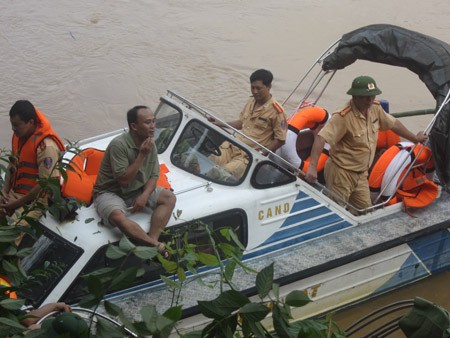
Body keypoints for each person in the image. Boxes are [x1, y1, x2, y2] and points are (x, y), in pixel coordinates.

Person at [305, 76, 427, 214]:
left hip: (361, 174)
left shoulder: (375, 108)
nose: (369, 100)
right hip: (341, 173)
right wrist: (312, 167)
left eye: (372, 96)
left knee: (365, 211)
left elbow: (393, 124)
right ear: (355, 96)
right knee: (335, 211)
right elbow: (321, 138)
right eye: (365, 97)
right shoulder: (342, 117)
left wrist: (415, 139)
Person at [93, 105, 176, 257]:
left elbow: (154, 175)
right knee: (117, 216)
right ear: (134, 126)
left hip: (137, 188)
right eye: (148, 123)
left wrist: (145, 195)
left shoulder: (150, 142)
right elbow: (123, 180)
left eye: (154, 121)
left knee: (169, 198)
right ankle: (156, 246)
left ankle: (152, 242)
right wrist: (142, 155)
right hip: (110, 191)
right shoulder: (119, 145)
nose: (153, 126)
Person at [208, 69, 288, 178]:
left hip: (247, 156)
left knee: (220, 173)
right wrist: (220, 123)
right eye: (252, 88)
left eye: (259, 88)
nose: (255, 91)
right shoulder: (251, 101)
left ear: (269, 87)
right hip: (232, 146)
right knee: (208, 161)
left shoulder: (277, 111)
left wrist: (261, 154)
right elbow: (241, 123)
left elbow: (280, 140)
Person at [0, 100, 65, 230]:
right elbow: (11, 167)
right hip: (15, 194)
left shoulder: (46, 146)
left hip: (36, 201)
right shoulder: (19, 136)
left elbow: (44, 185)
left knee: (13, 229)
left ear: (30, 122)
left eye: (17, 125)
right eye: (12, 125)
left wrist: (14, 205)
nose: (13, 129)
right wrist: (3, 194)